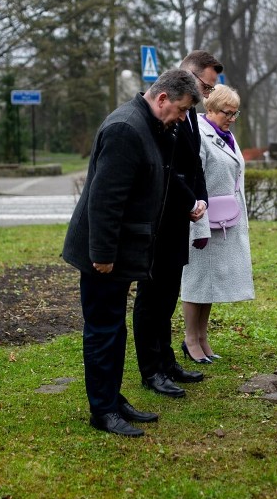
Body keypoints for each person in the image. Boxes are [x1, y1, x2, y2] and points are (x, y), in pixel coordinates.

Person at [62, 69, 201, 437]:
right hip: (104, 254)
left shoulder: (151, 126)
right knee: (103, 329)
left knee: (113, 328)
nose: (183, 118)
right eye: (182, 110)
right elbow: (106, 200)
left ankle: (110, 397)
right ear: (162, 99)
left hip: (121, 249)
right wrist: (103, 254)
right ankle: (102, 411)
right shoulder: (126, 128)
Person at [132, 51, 224, 398]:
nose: (208, 95)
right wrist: (189, 200)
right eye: (205, 85)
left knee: (168, 295)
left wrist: (201, 199)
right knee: (151, 298)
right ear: (186, 75)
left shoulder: (188, 116)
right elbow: (165, 168)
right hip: (159, 218)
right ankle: (151, 370)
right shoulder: (163, 112)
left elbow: (193, 165)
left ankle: (167, 362)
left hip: (180, 220)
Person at [181, 85, 254, 363]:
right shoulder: (199, 136)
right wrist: (197, 223)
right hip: (202, 220)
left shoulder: (226, 135)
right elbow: (193, 181)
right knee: (197, 282)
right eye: (227, 112)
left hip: (224, 221)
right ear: (210, 109)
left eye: (235, 114)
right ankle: (190, 340)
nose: (231, 118)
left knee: (211, 284)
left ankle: (202, 338)